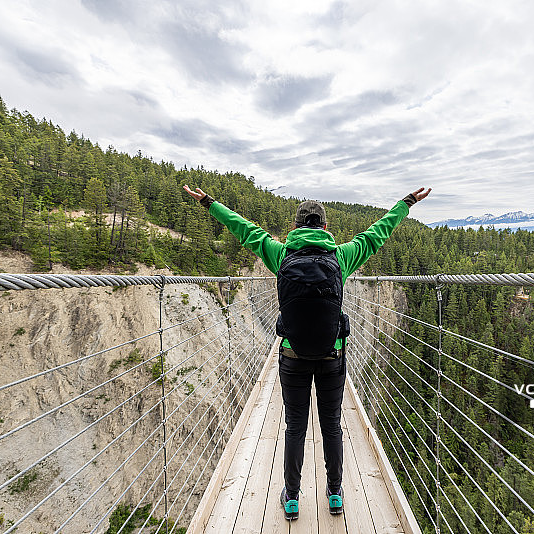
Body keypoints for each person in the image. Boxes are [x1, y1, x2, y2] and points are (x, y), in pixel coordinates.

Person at [183, 184, 431, 520]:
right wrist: (407, 202)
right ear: (325, 228)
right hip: (333, 356)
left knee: (295, 427)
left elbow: (242, 228)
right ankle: (334, 494)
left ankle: (293, 498)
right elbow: (377, 233)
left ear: (297, 227)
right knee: (331, 427)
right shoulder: (341, 256)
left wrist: (209, 202)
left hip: (292, 357)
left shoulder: (281, 254)